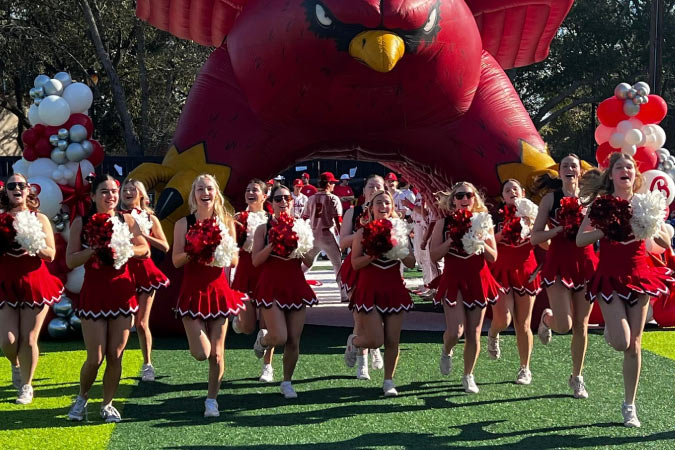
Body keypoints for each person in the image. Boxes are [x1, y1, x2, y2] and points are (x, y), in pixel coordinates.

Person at [577, 152, 673, 427]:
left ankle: (630, 405)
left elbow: (665, 242)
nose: (625, 170)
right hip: (610, 277)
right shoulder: (601, 204)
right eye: (619, 166)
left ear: (635, 175)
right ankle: (612, 328)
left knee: (634, 345)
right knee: (621, 341)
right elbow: (582, 239)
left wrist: (650, 226)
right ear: (612, 175)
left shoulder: (645, 202)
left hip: (640, 277)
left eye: (629, 167)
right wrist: (605, 230)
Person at [66, 174, 149, 422]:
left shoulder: (127, 219)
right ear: (93, 196)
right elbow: (71, 260)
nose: (111, 195)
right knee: (95, 357)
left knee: (115, 354)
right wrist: (94, 250)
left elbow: (144, 249)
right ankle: (82, 398)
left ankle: (107, 404)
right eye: (104, 191)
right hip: (94, 294)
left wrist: (123, 249)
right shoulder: (82, 222)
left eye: (114, 190)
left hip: (122, 294)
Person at [172, 174, 247, 418]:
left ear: (216, 194)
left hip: (219, 291)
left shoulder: (227, 221)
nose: (205, 192)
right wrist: (196, 250)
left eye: (210, 188)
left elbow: (235, 259)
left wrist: (217, 250)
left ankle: (212, 400)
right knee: (201, 353)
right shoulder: (184, 223)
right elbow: (176, 260)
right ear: (194, 194)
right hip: (193, 292)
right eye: (200, 189)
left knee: (217, 353)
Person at [531, 154, 598, 399]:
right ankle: (548, 319)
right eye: (565, 166)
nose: (570, 169)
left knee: (581, 325)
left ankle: (577, 377)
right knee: (565, 325)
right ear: (559, 172)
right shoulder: (551, 199)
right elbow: (535, 237)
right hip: (558, 264)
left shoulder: (591, 198)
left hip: (586, 264)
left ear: (580, 171)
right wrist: (558, 229)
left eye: (574, 165)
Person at [430, 182, 501, 394]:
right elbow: (434, 255)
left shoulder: (484, 222)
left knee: (474, 332)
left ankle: (468, 375)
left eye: (468, 195)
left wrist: (481, 241)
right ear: (453, 200)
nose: (464, 199)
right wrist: (450, 240)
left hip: (478, 280)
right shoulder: (443, 223)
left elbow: (494, 256)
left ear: (474, 199)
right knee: (455, 331)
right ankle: (447, 350)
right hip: (454, 279)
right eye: (459, 195)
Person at [344, 189, 416, 396]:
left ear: (393, 208)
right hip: (369, 289)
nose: (383, 206)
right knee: (376, 340)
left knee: (393, 340)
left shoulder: (400, 230)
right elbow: (356, 264)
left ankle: (388, 381)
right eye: (379, 203)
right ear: (371, 208)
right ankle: (355, 341)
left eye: (387, 203)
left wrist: (398, 249)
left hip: (393, 288)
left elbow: (411, 263)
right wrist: (374, 253)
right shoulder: (361, 233)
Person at [0, 173, 62, 404]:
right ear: (6, 191)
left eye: (21, 185)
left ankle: (27, 386)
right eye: (11, 185)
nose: (17, 188)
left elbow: (51, 254)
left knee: (29, 339)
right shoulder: (0, 218)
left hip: (34, 282)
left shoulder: (41, 219)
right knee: (8, 340)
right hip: (5, 282)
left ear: (28, 190)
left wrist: (31, 241)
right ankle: (15, 364)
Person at [251, 184, 318, 399]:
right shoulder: (264, 228)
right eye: (278, 199)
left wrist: (298, 245)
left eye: (286, 198)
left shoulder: (300, 225)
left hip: (294, 284)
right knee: (279, 335)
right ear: (270, 204)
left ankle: (287, 381)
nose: (283, 202)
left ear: (292, 201)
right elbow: (255, 261)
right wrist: (273, 242)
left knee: (293, 340)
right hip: (271, 284)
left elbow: (309, 260)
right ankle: (263, 341)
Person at [487, 179, 541, 385]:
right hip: (501, 271)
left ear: (523, 193)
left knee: (523, 323)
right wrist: (506, 230)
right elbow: (487, 240)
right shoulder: (495, 217)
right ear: (503, 197)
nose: (512, 192)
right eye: (507, 190)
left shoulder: (534, 216)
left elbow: (544, 242)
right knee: (503, 319)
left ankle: (525, 368)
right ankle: (493, 333)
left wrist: (535, 227)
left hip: (526, 272)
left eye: (515, 189)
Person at [120, 178, 170, 382]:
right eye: (125, 189)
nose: (128, 192)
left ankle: (147, 364)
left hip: (146, 272)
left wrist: (143, 236)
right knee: (123, 322)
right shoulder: (115, 216)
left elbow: (165, 246)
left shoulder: (150, 218)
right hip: (122, 271)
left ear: (142, 195)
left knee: (141, 322)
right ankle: (117, 361)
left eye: (133, 189)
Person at [339, 174, 386, 379]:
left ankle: (374, 345)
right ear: (364, 190)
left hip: (384, 267)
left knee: (383, 312)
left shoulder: (390, 213)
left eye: (379, 186)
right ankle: (362, 362)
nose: (374, 189)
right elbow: (342, 242)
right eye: (370, 186)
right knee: (360, 314)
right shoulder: (353, 212)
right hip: (358, 266)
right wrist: (365, 235)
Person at [230, 179, 275, 383]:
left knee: (267, 326)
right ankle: (238, 322)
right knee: (248, 327)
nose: (250, 193)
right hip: (245, 271)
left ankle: (267, 366)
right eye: (247, 190)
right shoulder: (238, 218)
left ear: (265, 196)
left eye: (255, 190)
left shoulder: (272, 219)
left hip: (266, 272)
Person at [303, 172, 343, 276]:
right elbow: (338, 221)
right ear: (328, 183)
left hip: (313, 235)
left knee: (307, 263)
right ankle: (344, 292)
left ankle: (294, 280)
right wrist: (342, 238)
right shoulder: (333, 198)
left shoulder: (311, 198)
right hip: (327, 235)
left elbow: (303, 219)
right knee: (338, 265)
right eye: (333, 182)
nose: (334, 185)